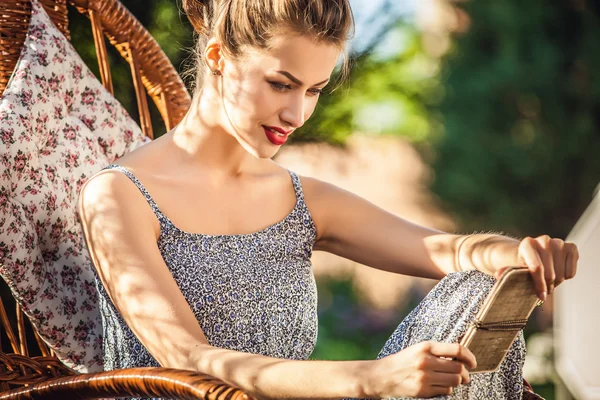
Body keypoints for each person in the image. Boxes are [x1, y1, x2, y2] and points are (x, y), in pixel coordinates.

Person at [77, 0, 579, 398]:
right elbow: (190, 358)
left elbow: (444, 249)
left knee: (475, 285)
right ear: (218, 59)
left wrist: (517, 253)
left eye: (314, 90)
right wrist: (373, 379)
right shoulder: (119, 195)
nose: (297, 113)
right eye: (281, 84)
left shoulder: (298, 199)